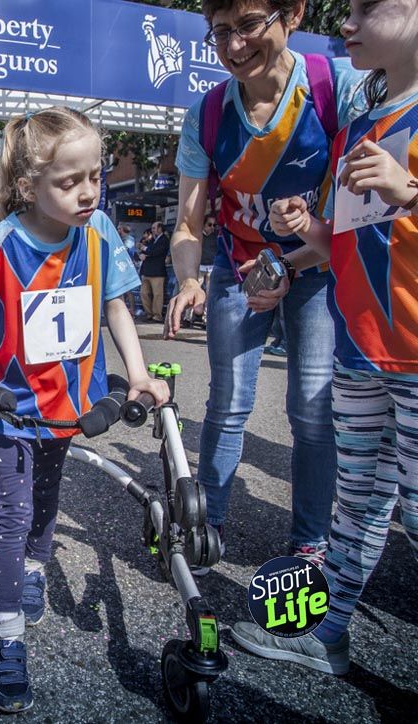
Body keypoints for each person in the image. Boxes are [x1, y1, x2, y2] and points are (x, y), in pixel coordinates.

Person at [0, 107, 170, 713]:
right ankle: (8, 639)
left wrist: (141, 373)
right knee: (13, 512)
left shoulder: (99, 233)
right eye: (70, 181)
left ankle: (38, 570)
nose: (89, 192)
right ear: (27, 187)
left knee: (48, 496)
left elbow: (119, 307)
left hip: (71, 408)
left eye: (94, 176)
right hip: (12, 408)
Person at [232, 0, 418, 673]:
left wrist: (412, 191)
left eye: (371, 6)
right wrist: (294, 243)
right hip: (361, 352)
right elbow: (346, 239)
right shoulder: (360, 125)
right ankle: (327, 635)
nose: (348, 19)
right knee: (359, 503)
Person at [164, 0, 365, 569]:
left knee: (310, 409)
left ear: (294, 14)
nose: (234, 46)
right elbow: (186, 224)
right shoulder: (207, 114)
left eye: (249, 25)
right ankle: (206, 526)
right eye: (220, 32)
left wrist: (288, 267)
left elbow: (360, 218)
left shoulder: (339, 89)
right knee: (228, 404)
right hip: (237, 269)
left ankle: (311, 543)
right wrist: (187, 279)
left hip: (318, 267)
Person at [139, 221, 169, 322]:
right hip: (146, 270)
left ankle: (157, 315)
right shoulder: (151, 240)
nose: (152, 230)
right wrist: (143, 252)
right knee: (144, 293)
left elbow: (156, 251)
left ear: (160, 229)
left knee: (157, 295)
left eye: (154, 228)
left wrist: (145, 249)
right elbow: (146, 250)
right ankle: (149, 313)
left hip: (157, 272)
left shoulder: (164, 240)